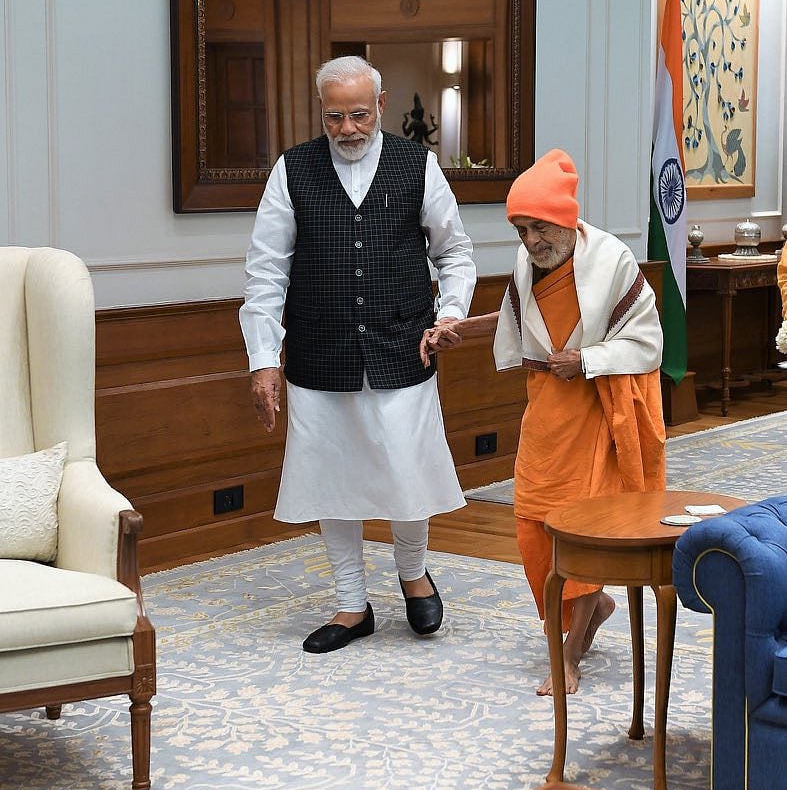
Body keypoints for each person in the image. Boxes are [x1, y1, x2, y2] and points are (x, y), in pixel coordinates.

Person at [240, 55, 476, 654]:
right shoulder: (292, 170)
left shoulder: (416, 163)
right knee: (332, 478)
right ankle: (352, 604)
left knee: (406, 467)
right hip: (320, 350)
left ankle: (413, 571)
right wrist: (264, 360)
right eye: (335, 117)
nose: (347, 128)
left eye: (359, 114)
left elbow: (455, 253)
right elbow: (266, 271)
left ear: (382, 103)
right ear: (322, 113)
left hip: (404, 344)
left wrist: (450, 313)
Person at [421, 149, 666, 694]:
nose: (531, 240)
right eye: (522, 228)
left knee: (578, 529)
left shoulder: (613, 261)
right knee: (533, 524)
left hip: (602, 411)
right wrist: (457, 330)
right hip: (547, 413)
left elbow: (648, 342)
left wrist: (587, 360)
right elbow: (515, 317)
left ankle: (570, 654)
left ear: (566, 220)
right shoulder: (529, 261)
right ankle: (592, 607)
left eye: (539, 227)